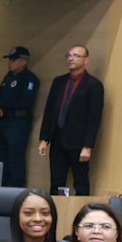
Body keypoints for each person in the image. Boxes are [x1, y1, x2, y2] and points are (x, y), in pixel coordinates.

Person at [38, 45, 104, 195]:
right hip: (58, 139)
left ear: (86, 60)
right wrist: (44, 139)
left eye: (76, 56)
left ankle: (82, 215)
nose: (71, 59)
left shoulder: (93, 85)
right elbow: (49, 111)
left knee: (80, 182)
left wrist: (88, 146)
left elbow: (94, 118)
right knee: (56, 181)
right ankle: (56, 214)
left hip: (78, 142)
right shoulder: (58, 82)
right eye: (68, 56)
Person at [0, 46, 39, 186]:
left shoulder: (30, 79)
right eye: (10, 59)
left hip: (17, 122)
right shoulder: (8, 77)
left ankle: (16, 187)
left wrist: (3, 106)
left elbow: (24, 100)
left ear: (24, 61)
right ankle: (1, 184)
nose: (10, 62)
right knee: (2, 156)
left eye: (14, 59)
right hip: (3, 121)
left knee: (15, 156)